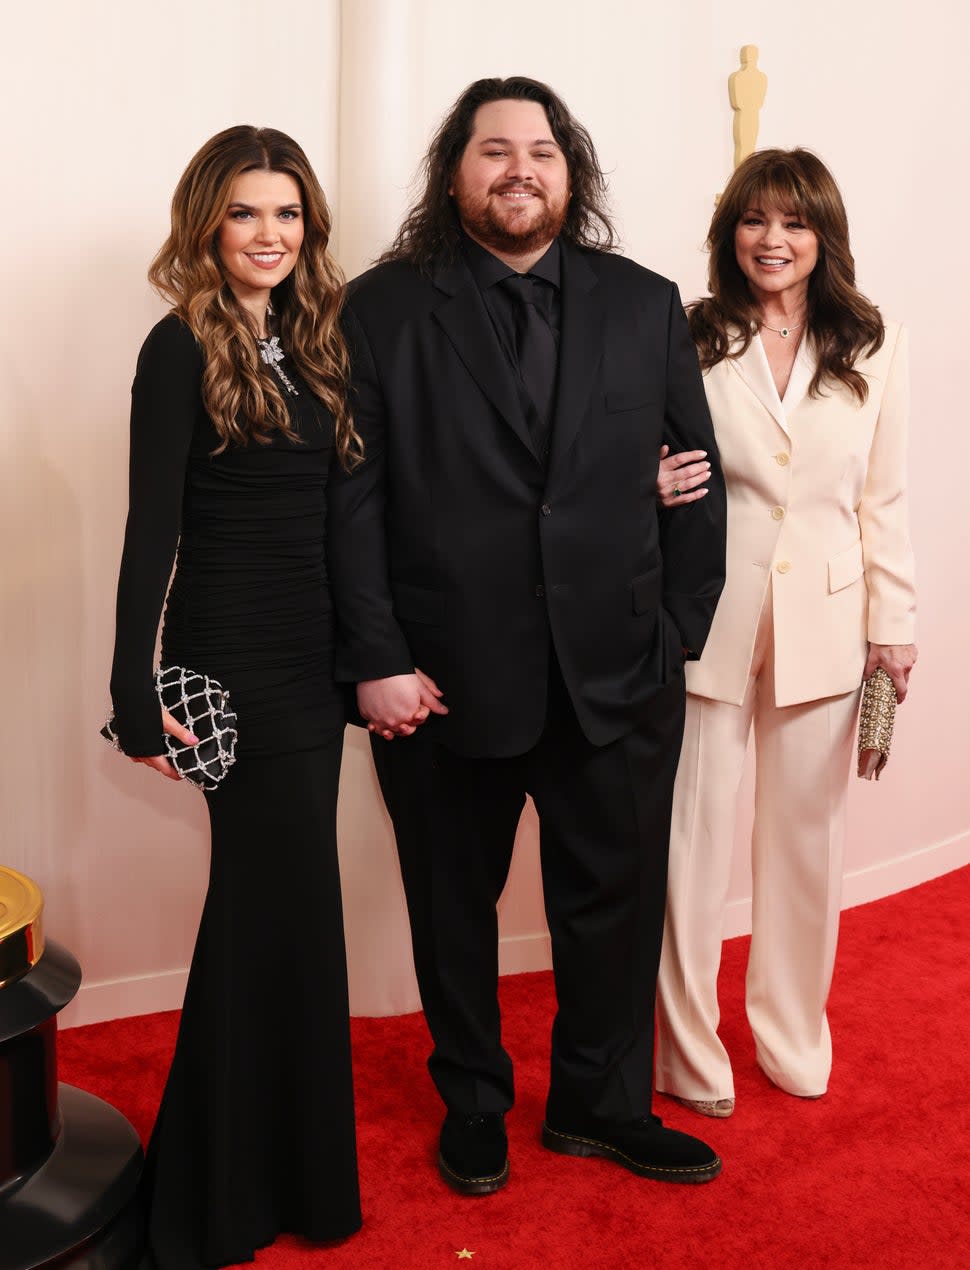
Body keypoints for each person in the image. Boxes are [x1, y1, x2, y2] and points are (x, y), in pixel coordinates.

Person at [328, 76, 726, 1193]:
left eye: (541, 151)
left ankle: (602, 1106)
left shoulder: (644, 303)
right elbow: (349, 499)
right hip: (442, 682)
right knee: (451, 907)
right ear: (454, 173)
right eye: (493, 150)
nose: (519, 169)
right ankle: (473, 1102)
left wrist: (674, 637)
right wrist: (375, 658)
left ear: (570, 170)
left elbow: (694, 486)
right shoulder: (380, 309)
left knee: (614, 905)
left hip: (616, 675)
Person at [108, 126, 362, 1267]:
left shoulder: (316, 344)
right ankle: (208, 1200)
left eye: (289, 215)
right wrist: (130, 684)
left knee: (292, 920)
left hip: (312, 669)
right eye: (248, 214)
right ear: (208, 224)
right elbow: (150, 528)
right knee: (263, 913)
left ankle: (288, 1179)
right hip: (230, 666)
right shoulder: (177, 349)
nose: (270, 235)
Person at [654, 148, 917, 1117]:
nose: (773, 239)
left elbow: (882, 495)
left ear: (822, 237)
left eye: (794, 222)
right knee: (689, 841)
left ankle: (792, 1033)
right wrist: (646, 481)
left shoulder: (873, 340)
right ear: (732, 231)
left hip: (829, 620)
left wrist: (894, 622)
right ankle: (685, 1049)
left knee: (805, 843)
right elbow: (647, 454)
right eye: (755, 220)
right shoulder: (687, 333)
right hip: (705, 617)